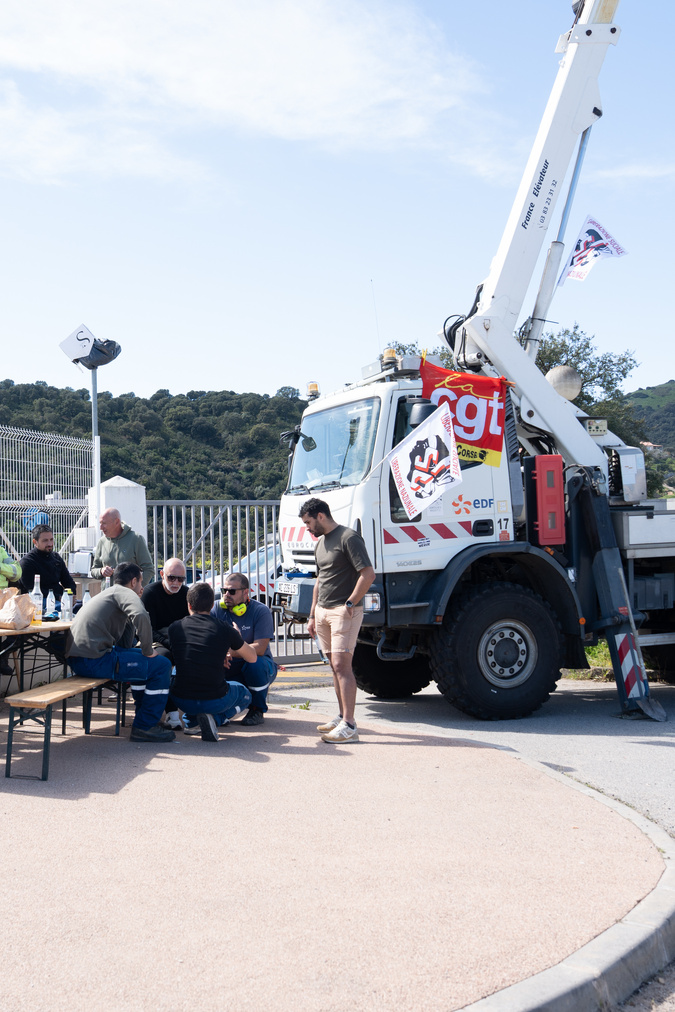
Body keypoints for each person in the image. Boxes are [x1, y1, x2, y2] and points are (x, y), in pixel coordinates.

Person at [65, 562, 175, 743]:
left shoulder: (109, 593)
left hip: (83, 658)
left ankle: (144, 719)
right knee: (161, 664)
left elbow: (125, 643)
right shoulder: (125, 593)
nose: (142, 587)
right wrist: (148, 651)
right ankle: (145, 726)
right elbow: (141, 615)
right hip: (94, 660)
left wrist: (139, 651)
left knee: (141, 660)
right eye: (141, 583)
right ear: (133, 582)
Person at [300, 498, 375, 744]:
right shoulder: (320, 543)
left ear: (320, 516)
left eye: (309, 522)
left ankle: (350, 726)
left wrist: (350, 604)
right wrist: (312, 614)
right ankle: (342, 716)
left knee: (343, 666)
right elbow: (320, 580)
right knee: (333, 665)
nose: (308, 528)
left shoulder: (348, 538)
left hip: (344, 612)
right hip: (322, 612)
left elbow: (368, 574)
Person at [168, 582, 256, 741]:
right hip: (215, 699)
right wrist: (237, 637)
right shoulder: (224, 628)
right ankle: (215, 720)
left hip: (181, 699)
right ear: (212, 605)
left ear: (188, 605)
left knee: (178, 671)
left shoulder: (175, 627)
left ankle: (191, 722)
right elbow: (252, 657)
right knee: (245, 694)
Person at [211, 573, 278, 725]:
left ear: (245, 592)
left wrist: (231, 650)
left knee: (255, 663)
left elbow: (260, 648)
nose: (227, 595)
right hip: (228, 666)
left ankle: (257, 709)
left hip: (256, 666)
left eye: (232, 591)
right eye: (224, 590)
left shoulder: (260, 611)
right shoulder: (216, 609)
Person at [141, 558, 189, 729]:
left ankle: (202, 710)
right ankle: (172, 712)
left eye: (180, 579)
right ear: (162, 574)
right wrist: (169, 643)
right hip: (156, 641)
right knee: (163, 661)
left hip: (179, 640)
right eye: (171, 578)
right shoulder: (149, 593)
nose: (176, 583)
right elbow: (147, 629)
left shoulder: (186, 594)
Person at [91, 508, 154, 587]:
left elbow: (149, 569)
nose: (100, 527)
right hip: (108, 595)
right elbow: (94, 570)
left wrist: (137, 588)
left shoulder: (136, 539)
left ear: (117, 522)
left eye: (104, 523)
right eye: (100, 523)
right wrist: (101, 571)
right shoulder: (102, 542)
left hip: (129, 596)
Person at [19, 524, 77, 601]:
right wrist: (58, 597)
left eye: (51, 539)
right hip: (40, 603)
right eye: (45, 540)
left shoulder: (56, 558)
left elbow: (69, 582)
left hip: (62, 600)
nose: (50, 544)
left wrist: (71, 595)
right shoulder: (27, 562)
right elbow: (32, 590)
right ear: (35, 542)